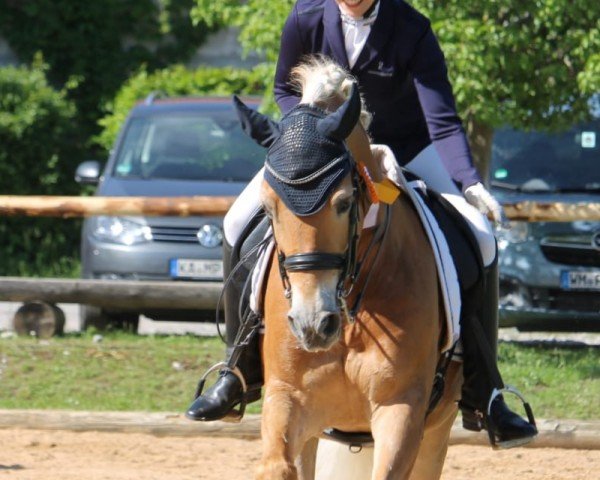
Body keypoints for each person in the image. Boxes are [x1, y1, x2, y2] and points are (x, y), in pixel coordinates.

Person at [187, 0, 538, 448]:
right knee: (237, 222)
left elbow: (442, 119)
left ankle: (485, 392)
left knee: (481, 236)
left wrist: (469, 182)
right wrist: (313, 126)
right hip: (320, 145)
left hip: (402, 149)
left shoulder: (411, 27)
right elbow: (283, 89)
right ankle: (237, 371)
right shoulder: (304, 17)